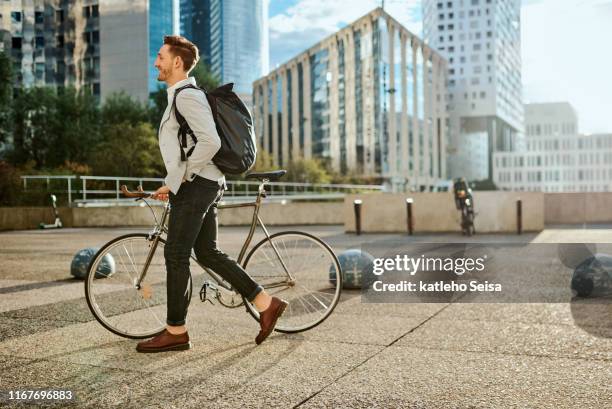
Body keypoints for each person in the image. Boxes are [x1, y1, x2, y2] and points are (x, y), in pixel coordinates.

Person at [136, 35, 287, 353]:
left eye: (161, 57)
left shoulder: (187, 97)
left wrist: (182, 179)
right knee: (206, 253)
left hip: (198, 186)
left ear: (177, 62)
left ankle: (176, 331)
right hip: (203, 183)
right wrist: (172, 182)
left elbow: (210, 143)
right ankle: (265, 303)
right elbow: (190, 147)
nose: (155, 62)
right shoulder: (180, 96)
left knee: (176, 255)